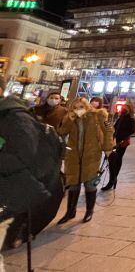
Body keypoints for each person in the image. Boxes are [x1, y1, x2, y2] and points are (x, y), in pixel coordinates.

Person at [0, 76, 64, 250]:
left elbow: (24, 154)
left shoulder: (16, 117)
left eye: (56, 98)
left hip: (14, 186)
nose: (53, 100)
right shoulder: (34, 110)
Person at [57, 97, 113, 224]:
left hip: (91, 155)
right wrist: (68, 121)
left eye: (81, 107)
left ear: (86, 106)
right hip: (74, 156)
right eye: (75, 108)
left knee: (90, 183)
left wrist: (108, 148)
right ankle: (70, 212)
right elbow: (62, 132)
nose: (78, 110)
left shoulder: (98, 116)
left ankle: (89, 211)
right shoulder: (70, 118)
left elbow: (109, 130)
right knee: (73, 183)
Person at [102, 103, 135, 191]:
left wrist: (121, 138)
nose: (124, 108)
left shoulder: (131, 119)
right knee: (112, 160)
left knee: (117, 159)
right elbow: (115, 128)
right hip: (115, 141)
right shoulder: (121, 117)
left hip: (122, 142)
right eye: (124, 107)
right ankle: (113, 179)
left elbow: (131, 130)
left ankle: (112, 180)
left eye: (126, 107)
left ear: (129, 109)